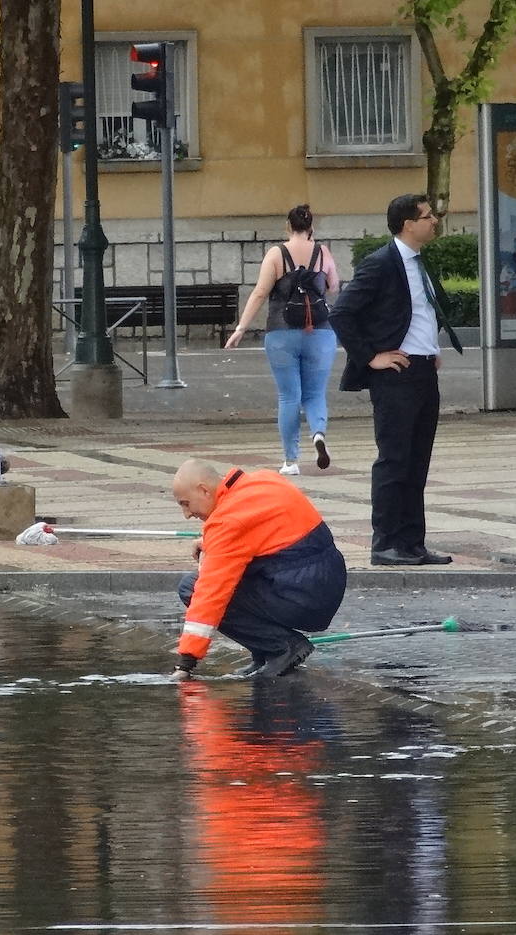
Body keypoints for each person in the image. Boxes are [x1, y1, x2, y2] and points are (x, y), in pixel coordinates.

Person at [329, 193, 463, 567]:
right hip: (395, 376)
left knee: (418, 460)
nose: (434, 220)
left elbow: (419, 312)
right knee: (394, 459)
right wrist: (372, 356)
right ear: (408, 223)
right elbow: (342, 314)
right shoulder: (382, 263)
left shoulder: (420, 262)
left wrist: (430, 347)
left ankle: (413, 543)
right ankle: (386, 543)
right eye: (427, 216)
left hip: (423, 370)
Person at [169, 458, 346, 680]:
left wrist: (186, 661)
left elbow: (210, 594)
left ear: (204, 490)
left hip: (300, 596)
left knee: (192, 587)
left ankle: (283, 648)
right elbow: (263, 531)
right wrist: (210, 542)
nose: (187, 514)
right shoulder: (263, 480)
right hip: (324, 583)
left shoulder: (228, 522)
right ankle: (264, 653)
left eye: (185, 503)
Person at [225, 204, 340, 475]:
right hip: (320, 333)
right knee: (314, 394)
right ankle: (319, 435)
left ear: (288, 227)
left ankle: (291, 461)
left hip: (281, 333)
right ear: (311, 228)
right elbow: (334, 286)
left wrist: (241, 327)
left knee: (289, 397)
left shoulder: (277, 254)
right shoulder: (323, 253)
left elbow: (259, 293)